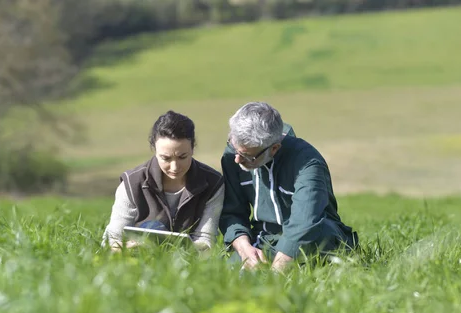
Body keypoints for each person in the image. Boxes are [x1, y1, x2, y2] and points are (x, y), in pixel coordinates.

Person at [219, 102, 358, 272]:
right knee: (225, 275)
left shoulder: (308, 162)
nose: (237, 160)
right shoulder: (234, 155)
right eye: (235, 149)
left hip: (316, 236)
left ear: (274, 148)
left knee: (318, 239)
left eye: (247, 156)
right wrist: (244, 249)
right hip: (264, 239)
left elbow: (305, 222)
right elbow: (231, 212)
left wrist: (277, 272)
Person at [102, 110, 225, 251]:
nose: (175, 167)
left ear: (193, 148)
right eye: (166, 158)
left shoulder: (212, 183)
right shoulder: (132, 183)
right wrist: (130, 248)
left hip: (189, 264)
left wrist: (175, 252)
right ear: (154, 149)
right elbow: (112, 239)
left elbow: (206, 241)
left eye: (182, 157)